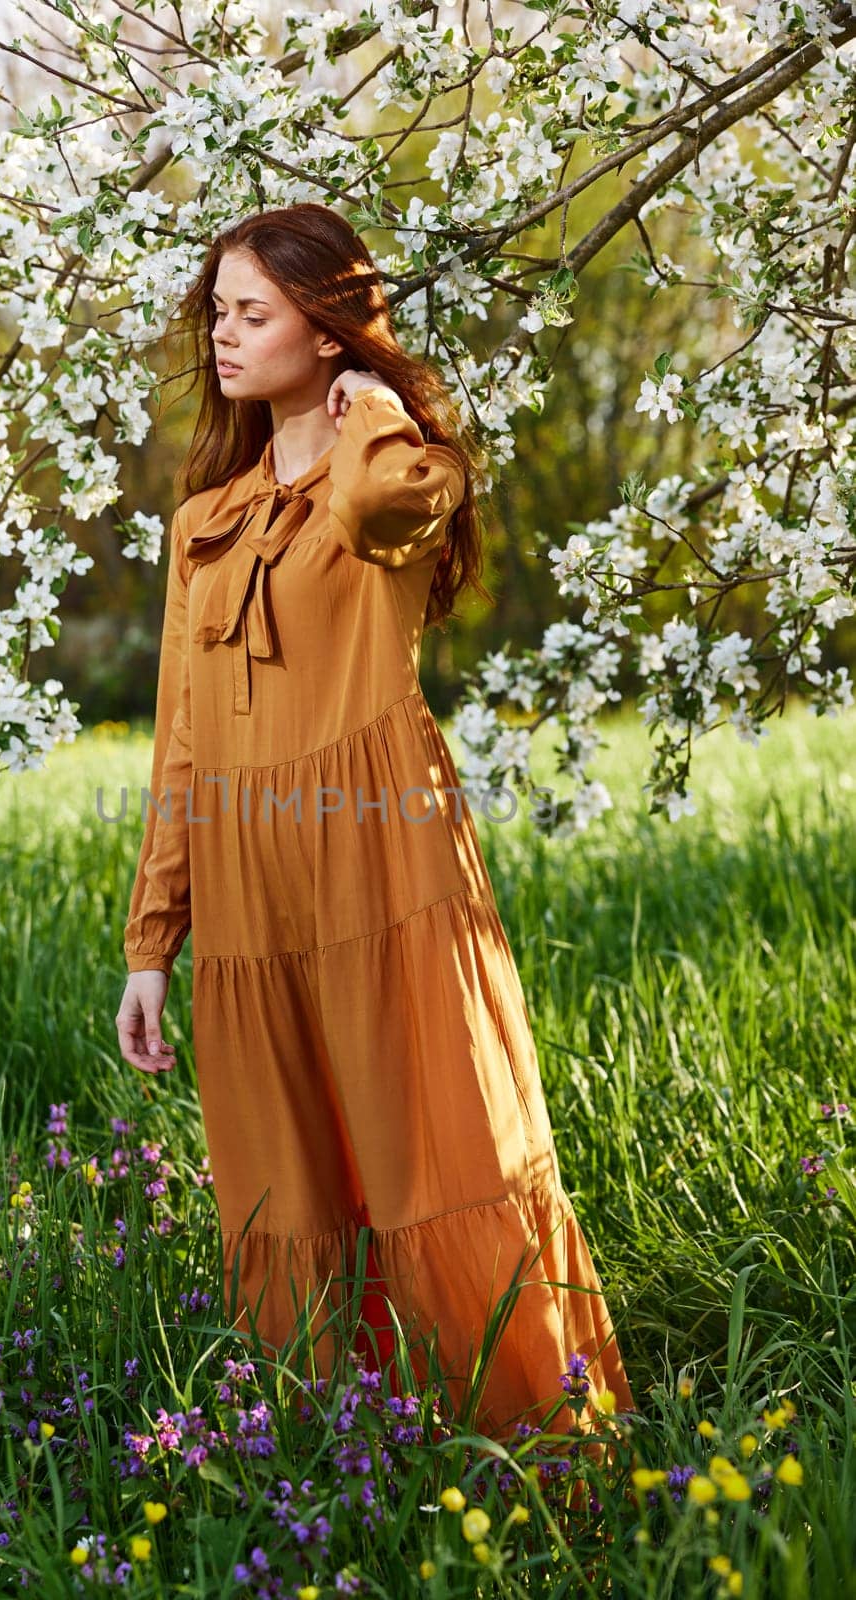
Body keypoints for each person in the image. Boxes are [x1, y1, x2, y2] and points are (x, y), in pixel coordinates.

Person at [115, 202, 636, 1445]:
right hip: (245, 880)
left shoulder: (406, 469)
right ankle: (338, 1457)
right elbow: (182, 744)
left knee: (434, 1154)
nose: (223, 339)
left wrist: (370, 416)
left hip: (379, 857)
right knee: (281, 1182)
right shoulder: (203, 522)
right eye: (217, 314)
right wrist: (152, 939)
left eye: (252, 314)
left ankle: (529, 1446)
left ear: (328, 327)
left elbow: (374, 521)